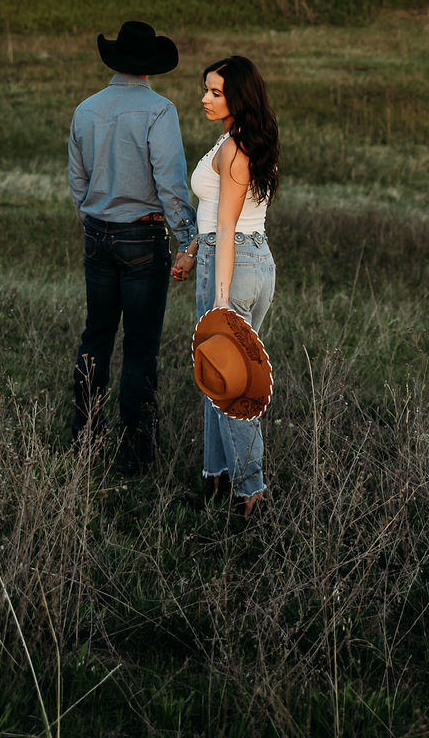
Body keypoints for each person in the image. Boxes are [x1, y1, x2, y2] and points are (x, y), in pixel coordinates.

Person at [69, 20, 198, 476]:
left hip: (98, 234)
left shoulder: (85, 109)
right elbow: (171, 184)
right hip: (143, 237)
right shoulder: (160, 112)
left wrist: (92, 222)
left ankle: (83, 437)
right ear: (150, 68)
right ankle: (136, 453)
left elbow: (77, 181)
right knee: (141, 348)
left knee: (95, 336)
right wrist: (188, 239)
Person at [173, 54, 279, 519]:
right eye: (206, 89)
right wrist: (194, 248)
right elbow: (218, 213)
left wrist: (219, 301)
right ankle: (218, 481)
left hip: (231, 265)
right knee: (221, 379)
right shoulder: (242, 140)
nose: (205, 98)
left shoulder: (235, 149)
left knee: (232, 385)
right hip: (250, 257)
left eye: (215, 91)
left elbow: (229, 221)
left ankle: (251, 496)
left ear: (237, 96)